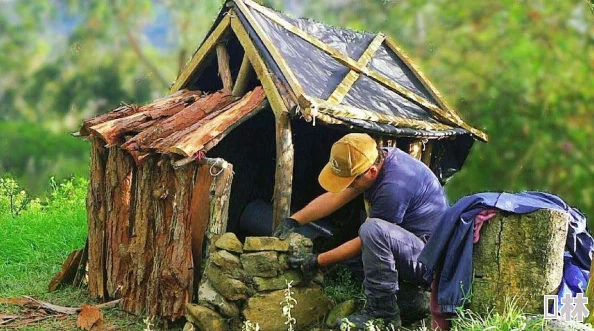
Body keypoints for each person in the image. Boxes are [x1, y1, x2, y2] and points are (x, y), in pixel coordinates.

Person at [273, 133, 448, 329]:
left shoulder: (393, 187)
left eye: (351, 182)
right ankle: (411, 300)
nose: (349, 187)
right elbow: (335, 197)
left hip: (429, 260)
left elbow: (371, 238)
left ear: (371, 172)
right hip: (407, 247)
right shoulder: (375, 158)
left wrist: (317, 261)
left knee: (371, 231)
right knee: (353, 259)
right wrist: (295, 220)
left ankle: (383, 313)